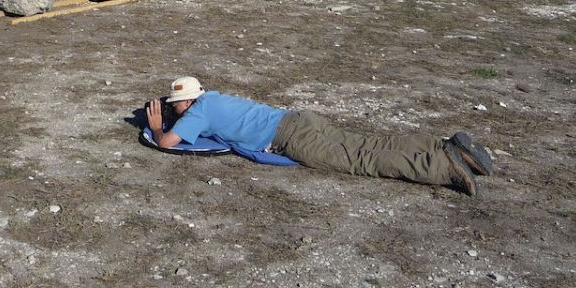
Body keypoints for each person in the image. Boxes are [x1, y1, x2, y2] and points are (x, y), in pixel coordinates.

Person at [146, 76, 494, 196]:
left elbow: (165, 143)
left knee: (360, 160)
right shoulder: (213, 97)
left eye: (175, 105)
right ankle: (441, 146)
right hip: (299, 118)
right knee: (368, 142)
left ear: (187, 101)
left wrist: (159, 125)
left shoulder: (197, 112)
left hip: (289, 137)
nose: (175, 109)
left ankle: (444, 168)